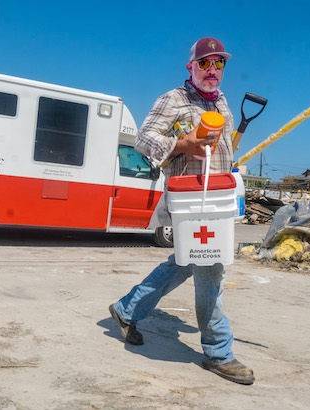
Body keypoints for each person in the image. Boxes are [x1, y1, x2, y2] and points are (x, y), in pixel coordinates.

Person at [108, 37, 254, 385]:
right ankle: (220, 351)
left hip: (215, 198)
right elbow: (143, 139)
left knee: (187, 260)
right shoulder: (175, 99)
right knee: (211, 268)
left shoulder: (221, 102)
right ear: (191, 66)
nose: (213, 69)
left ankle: (128, 308)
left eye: (219, 63)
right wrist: (181, 143)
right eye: (205, 63)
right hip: (190, 200)